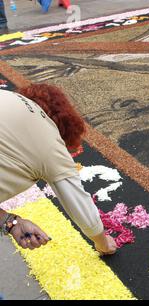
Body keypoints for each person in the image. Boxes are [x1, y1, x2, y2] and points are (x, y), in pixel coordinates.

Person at [0, 84, 116, 255]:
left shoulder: (7, 96)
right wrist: (103, 244)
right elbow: (84, 212)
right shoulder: (50, 146)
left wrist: (10, 222)